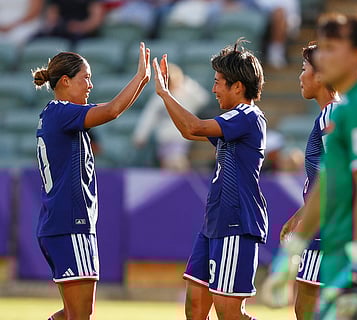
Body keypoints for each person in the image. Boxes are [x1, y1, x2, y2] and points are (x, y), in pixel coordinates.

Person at [262, 13, 357, 319]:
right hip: (341, 247)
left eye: (331, 47)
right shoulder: (344, 111)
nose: (321, 56)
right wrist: (292, 253)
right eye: (322, 48)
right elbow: (328, 182)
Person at [152, 38, 267, 320]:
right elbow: (190, 132)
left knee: (229, 313)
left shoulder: (248, 116)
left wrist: (166, 94)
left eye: (218, 81)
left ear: (237, 86)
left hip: (236, 223)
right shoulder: (233, 120)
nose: (213, 89)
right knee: (195, 306)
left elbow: (194, 126)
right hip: (215, 222)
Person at [34, 42, 150, 320]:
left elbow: (109, 108)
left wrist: (140, 83)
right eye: (85, 78)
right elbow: (111, 111)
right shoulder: (63, 113)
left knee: (74, 313)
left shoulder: (57, 113)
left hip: (61, 223)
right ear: (65, 81)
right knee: (81, 315)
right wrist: (140, 79)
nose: (90, 85)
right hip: (70, 223)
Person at [277, 41, 338, 320]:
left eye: (304, 69)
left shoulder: (330, 115)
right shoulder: (333, 113)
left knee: (306, 305)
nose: (300, 76)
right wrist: (299, 215)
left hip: (327, 225)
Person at [132, 63, 210, 171]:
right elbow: (149, 117)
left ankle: (180, 182)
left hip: (184, 136)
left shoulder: (187, 93)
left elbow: (203, 99)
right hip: (166, 137)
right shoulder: (159, 97)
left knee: (177, 163)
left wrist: (186, 83)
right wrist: (140, 136)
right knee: (169, 165)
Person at [38, 0, 105, 44]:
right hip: (62, 31)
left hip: (84, 33)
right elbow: (52, 18)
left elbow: (95, 20)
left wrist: (80, 27)